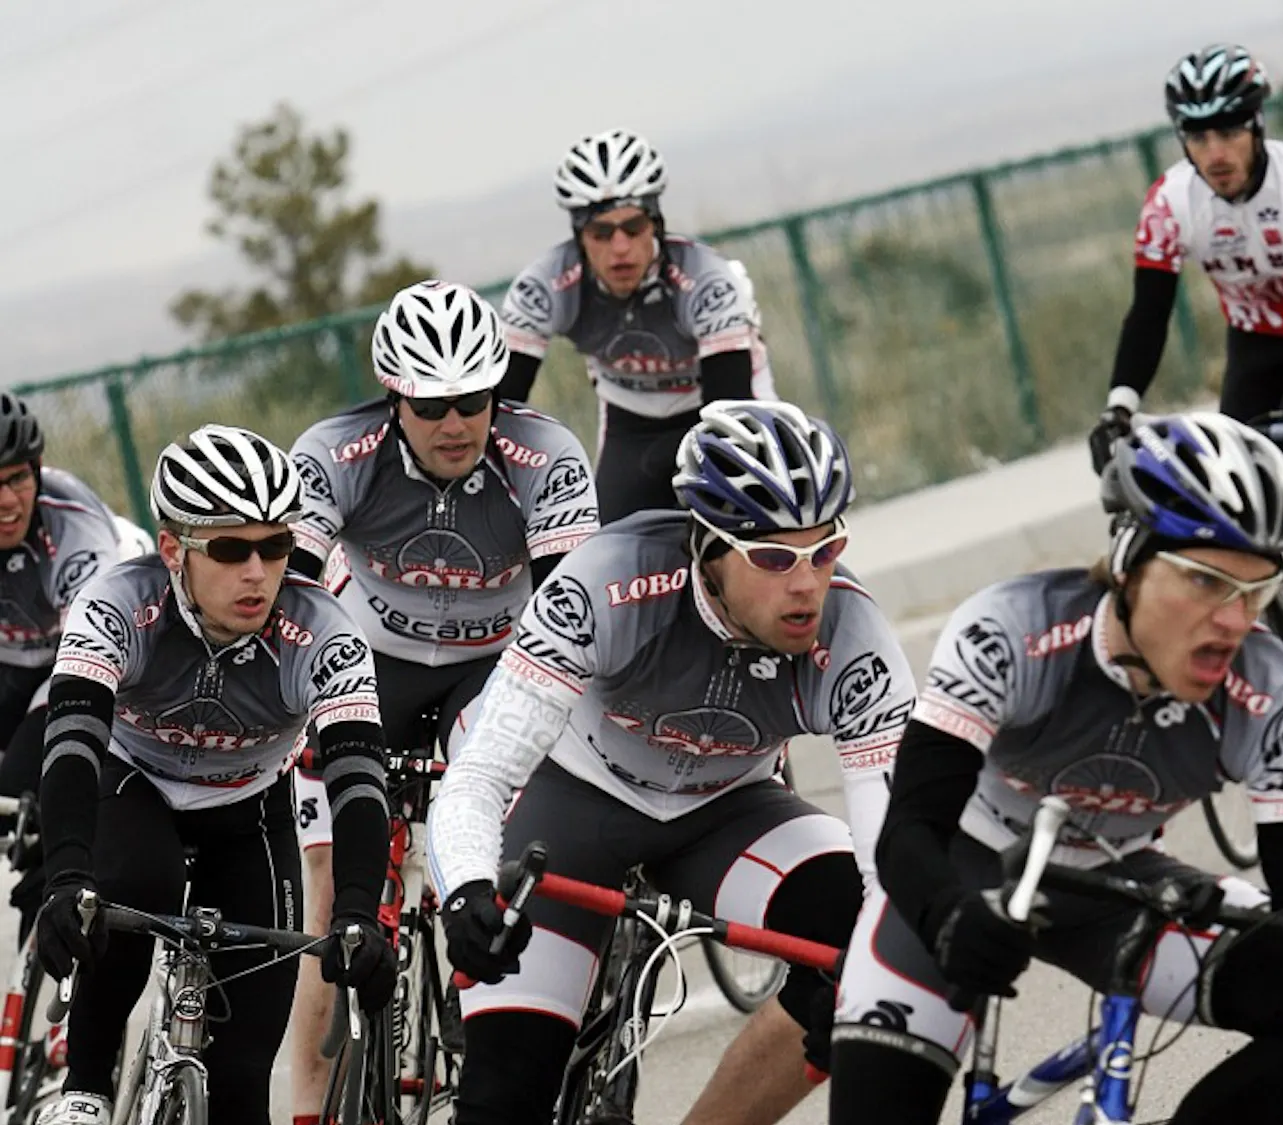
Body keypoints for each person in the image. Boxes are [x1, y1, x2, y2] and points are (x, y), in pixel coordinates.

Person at [828, 411, 1283, 1125]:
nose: (1234, 619)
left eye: (1256, 590)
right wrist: (945, 914)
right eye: (1205, 581)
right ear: (1129, 560)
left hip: (1120, 882)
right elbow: (909, 825)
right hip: (964, 865)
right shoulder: (1012, 630)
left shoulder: (1275, 694)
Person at [428, 400, 914, 1125]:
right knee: (505, 1092)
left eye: (825, 548)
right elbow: (481, 773)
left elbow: (894, 850)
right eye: (776, 557)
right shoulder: (607, 583)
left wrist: (878, 962)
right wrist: (466, 886)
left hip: (727, 813)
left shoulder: (853, 638)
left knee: (869, 946)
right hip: (572, 803)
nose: (808, 583)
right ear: (709, 550)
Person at [282, 278, 601, 1121]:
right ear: (394, 400)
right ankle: (311, 1105)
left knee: (495, 803)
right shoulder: (333, 451)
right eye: (432, 407)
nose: (457, 423)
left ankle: (484, 983)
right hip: (368, 661)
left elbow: (575, 615)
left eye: (474, 400)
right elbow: (293, 599)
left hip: (490, 665)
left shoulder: (546, 453)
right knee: (330, 884)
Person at [33, 425, 396, 1125]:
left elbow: (358, 780)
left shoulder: (325, 630)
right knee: (138, 880)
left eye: (276, 546)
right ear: (173, 549)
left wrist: (356, 909)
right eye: (231, 549)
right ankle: (84, 1088)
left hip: (249, 808)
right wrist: (66, 876)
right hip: (135, 783)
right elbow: (74, 741)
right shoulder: (116, 603)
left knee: (240, 1085)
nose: (259, 572)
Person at [1089, 44, 1283, 683]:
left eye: (1228, 131)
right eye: (1197, 136)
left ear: (1256, 127)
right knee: (1230, 486)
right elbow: (1148, 315)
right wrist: (1119, 407)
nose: (1215, 151)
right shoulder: (1170, 203)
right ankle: (1254, 617)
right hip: (1255, 340)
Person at [495, 128, 775, 523]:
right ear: (580, 237)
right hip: (631, 425)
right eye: (601, 233)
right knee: (610, 552)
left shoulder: (705, 280)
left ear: (656, 225)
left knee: (757, 526)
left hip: (717, 409)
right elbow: (501, 409)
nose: (620, 247)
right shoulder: (547, 285)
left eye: (634, 227)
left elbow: (729, 407)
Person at [0, 392, 129, 938]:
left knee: (31, 780)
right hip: (10, 659)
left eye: (17, 480)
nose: (6, 501)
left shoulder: (73, 524)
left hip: (74, 655)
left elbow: (90, 667)